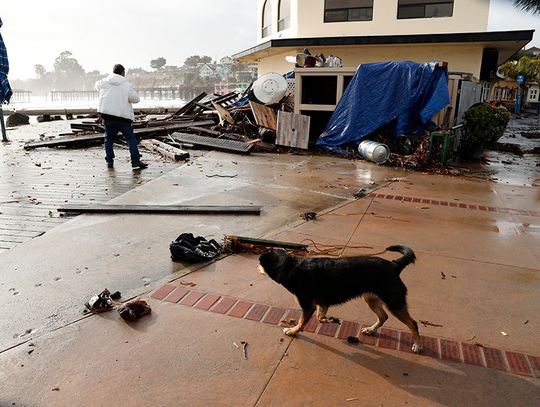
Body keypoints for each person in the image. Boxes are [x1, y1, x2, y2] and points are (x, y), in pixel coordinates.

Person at [95, 64, 147, 170]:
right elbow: (136, 99)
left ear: (113, 72)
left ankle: (109, 161)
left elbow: (96, 86)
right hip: (123, 118)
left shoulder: (103, 82)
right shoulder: (126, 85)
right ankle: (135, 162)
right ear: (123, 73)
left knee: (108, 140)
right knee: (130, 139)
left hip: (108, 117)